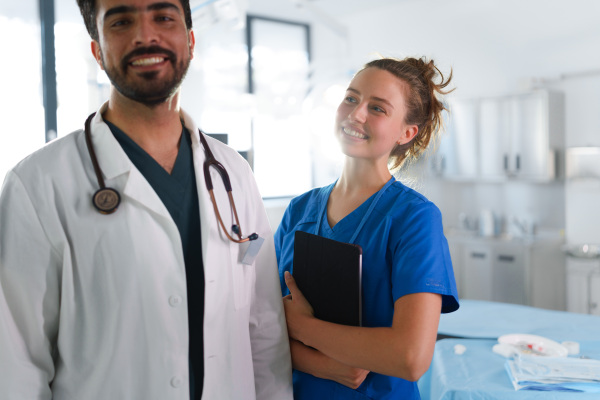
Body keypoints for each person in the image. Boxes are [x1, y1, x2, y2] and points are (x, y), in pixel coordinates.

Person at [0, 0, 292, 399]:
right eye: (121, 21)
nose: (145, 35)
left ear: (190, 41)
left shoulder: (233, 174)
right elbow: (16, 364)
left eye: (163, 17)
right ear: (97, 51)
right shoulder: (37, 185)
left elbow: (264, 329)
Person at [274, 57, 460, 399]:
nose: (356, 114)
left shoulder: (414, 218)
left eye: (377, 108)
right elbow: (259, 326)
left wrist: (301, 326)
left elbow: (409, 357)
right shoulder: (299, 210)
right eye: (351, 98)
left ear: (406, 133)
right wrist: (326, 365)